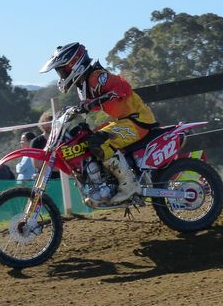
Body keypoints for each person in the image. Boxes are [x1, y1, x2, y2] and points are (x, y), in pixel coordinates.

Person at [40, 42, 158, 203]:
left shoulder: (98, 76)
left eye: (62, 70)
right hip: (125, 121)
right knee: (87, 137)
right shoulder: (84, 84)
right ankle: (105, 183)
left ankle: (129, 185)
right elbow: (93, 105)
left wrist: (97, 101)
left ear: (74, 65)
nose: (61, 75)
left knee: (99, 141)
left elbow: (124, 89)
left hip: (138, 121)